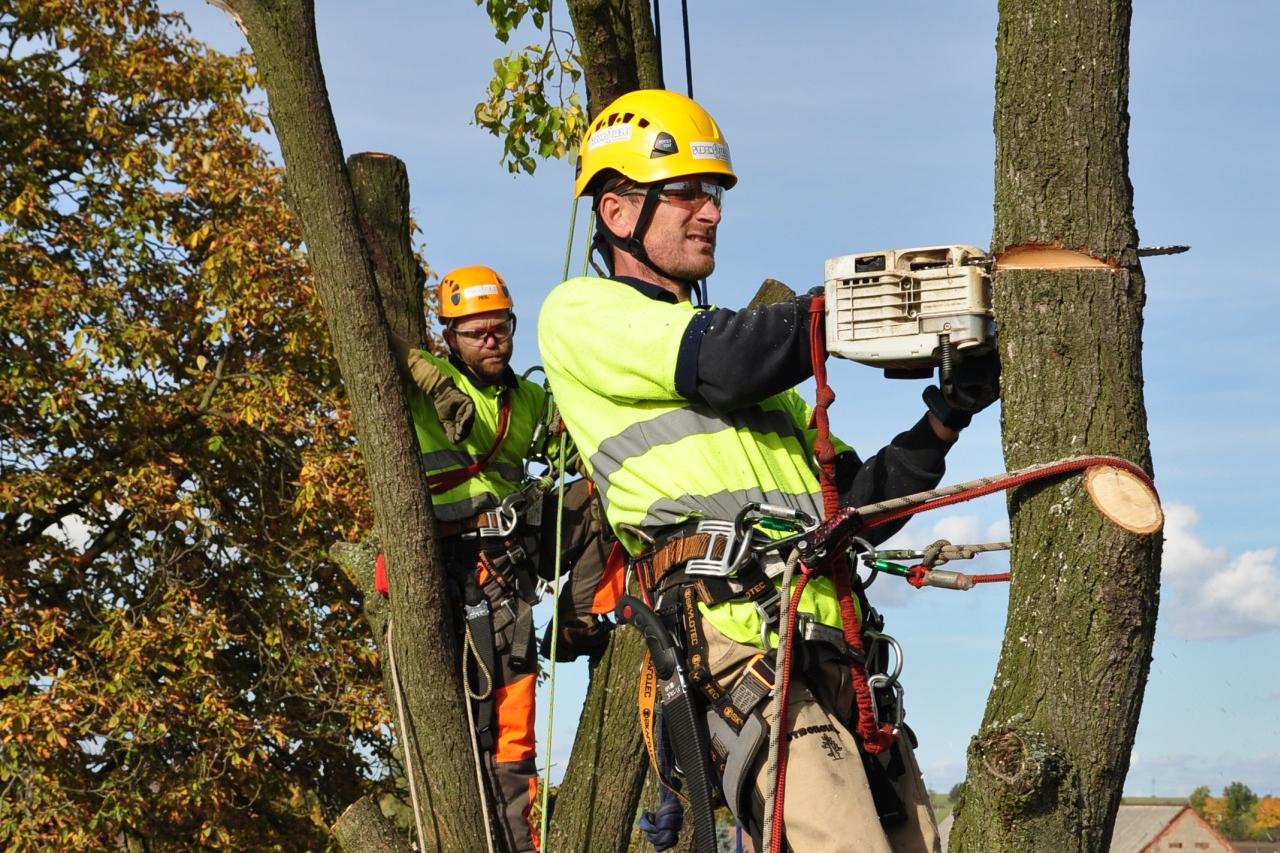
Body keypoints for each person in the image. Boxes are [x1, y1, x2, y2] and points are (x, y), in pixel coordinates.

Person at [537, 90, 999, 851]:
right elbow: (722, 359)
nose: (710, 212)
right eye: (685, 192)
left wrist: (946, 416)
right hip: (737, 643)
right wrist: (848, 309)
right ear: (618, 212)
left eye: (711, 194)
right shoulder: (582, 314)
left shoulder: (762, 391)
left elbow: (854, 505)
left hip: (833, 647)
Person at [391, 265, 613, 853]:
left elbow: (575, 451)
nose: (492, 341)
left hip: (514, 555)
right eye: (476, 332)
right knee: (489, 720)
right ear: (449, 337)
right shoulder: (425, 381)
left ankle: (577, 619)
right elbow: (369, 337)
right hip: (455, 566)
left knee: (609, 490)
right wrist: (428, 378)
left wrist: (582, 407)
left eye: (500, 329)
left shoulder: (529, 398)